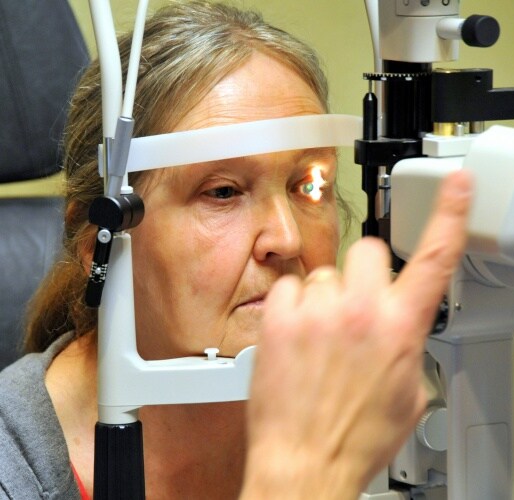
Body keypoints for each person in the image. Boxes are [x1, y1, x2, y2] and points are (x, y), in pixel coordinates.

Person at [0, 1, 472, 499]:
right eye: (222, 192)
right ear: (94, 243)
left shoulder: (367, 418)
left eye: (308, 185)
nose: (286, 239)